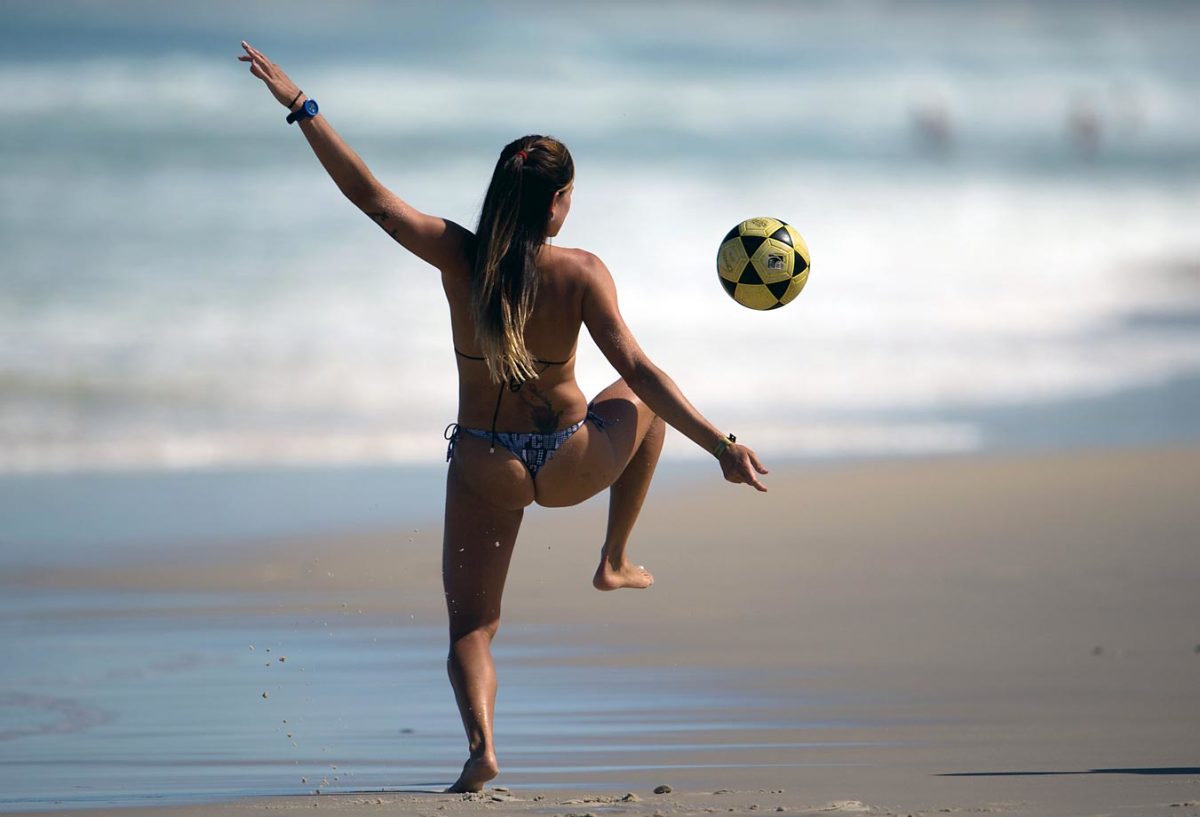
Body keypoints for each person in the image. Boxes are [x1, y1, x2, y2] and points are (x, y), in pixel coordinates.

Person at [238, 41, 768, 793]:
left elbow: (375, 200)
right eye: (570, 194)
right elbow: (642, 372)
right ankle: (613, 558)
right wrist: (722, 444)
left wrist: (304, 107)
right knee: (642, 397)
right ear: (556, 203)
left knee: (471, 627)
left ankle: (482, 746)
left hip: (488, 463)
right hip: (573, 455)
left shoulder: (460, 254)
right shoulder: (581, 271)